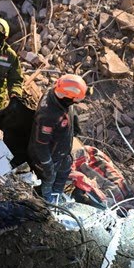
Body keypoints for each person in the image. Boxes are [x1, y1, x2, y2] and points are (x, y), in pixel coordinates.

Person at [28, 74, 87, 203]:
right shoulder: (48, 115)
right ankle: (48, 202)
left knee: (64, 172)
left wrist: (75, 124)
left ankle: (58, 194)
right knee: (49, 181)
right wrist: (47, 165)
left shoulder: (58, 94)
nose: (75, 103)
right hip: (50, 157)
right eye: (74, 100)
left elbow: (71, 109)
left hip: (62, 153)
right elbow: (41, 144)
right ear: (67, 98)